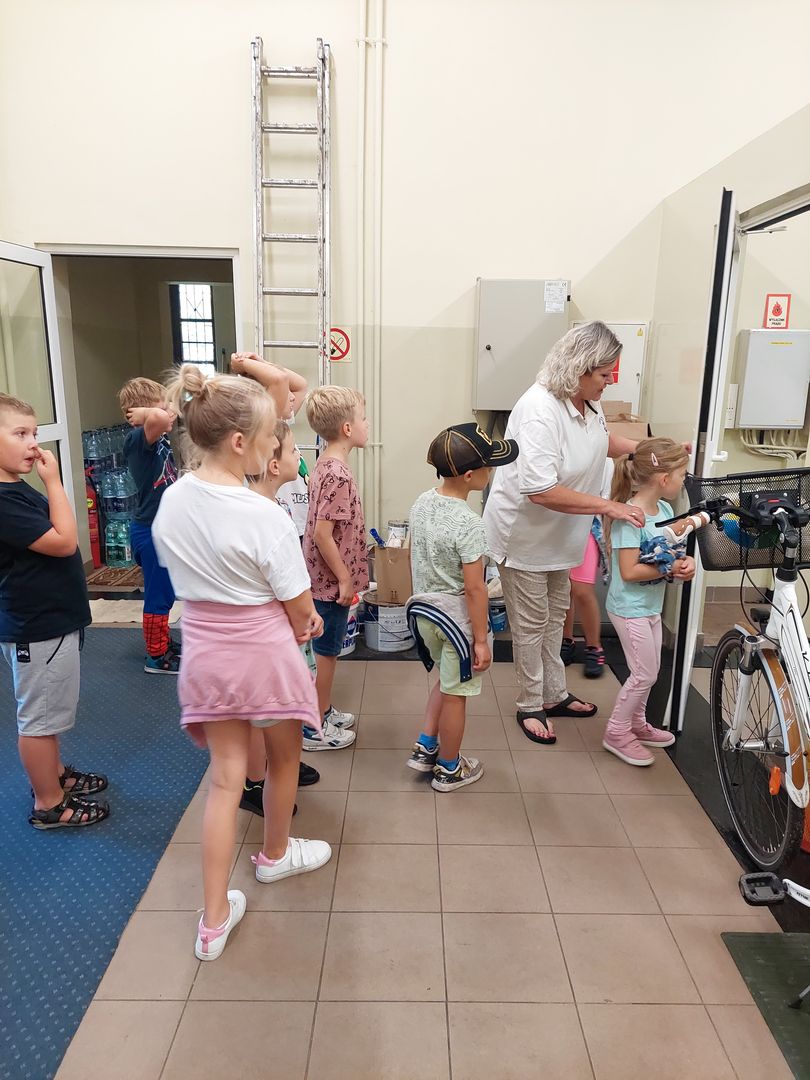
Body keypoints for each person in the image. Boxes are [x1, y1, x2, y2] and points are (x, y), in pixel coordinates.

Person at [152, 367, 330, 962]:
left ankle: (212, 921)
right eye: (268, 436)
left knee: (226, 781)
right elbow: (299, 607)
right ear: (237, 443)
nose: (274, 445)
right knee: (283, 759)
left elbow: (184, 574)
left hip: (206, 656)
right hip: (265, 658)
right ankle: (275, 855)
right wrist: (310, 621)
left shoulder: (173, 501)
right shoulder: (263, 516)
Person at [483, 322, 644, 745]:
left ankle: (554, 694)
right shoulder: (539, 410)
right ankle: (529, 703)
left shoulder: (588, 402)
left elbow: (602, 441)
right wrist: (609, 506)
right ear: (579, 369)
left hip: (561, 535)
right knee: (531, 624)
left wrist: (647, 449)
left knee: (555, 618)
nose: (610, 381)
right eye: (604, 373)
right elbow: (540, 490)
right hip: (525, 537)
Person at [0, 393, 109, 829]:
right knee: (39, 720)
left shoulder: (13, 486)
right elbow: (64, 541)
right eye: (20, 434)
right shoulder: (3, 500)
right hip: (36, 624)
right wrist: (55, 483)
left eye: (34, 433)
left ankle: (56, 775)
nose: (33, 443)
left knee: (49, 710)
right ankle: (49, 803)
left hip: (50, 620)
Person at [406, 423, 519, 790]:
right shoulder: (470, 523)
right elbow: (474, 588)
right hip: (456, 623)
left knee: (446, 680)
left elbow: (414, 555)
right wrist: (481, 640)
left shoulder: (422, 502)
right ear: (471, 476)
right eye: (489, 465)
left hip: (425, 612)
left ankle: (426, 745)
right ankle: (449, 768)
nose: (492, 471)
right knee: (457, 694)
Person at [241, 421, 319, 815]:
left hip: (253, 639)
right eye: (293, 451)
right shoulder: (272, 518)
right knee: (277, 727)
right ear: (274, 466)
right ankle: (265, 788)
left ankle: (265, 774)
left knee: (260, 718)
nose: (300, 457)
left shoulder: (248, 506)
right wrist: (310, 617)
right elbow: (292, 592)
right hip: (277, 640)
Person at [602, 438, 695, 766]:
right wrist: (670, 568)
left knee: (649, 672)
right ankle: (616, 732)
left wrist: (684, 563)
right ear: (664, 478)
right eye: (682, 475)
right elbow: (629, 571)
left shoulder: (665, 511)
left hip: (650, 606)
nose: (684, 481)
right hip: (629, 609)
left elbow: (670, 553)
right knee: (644, 674)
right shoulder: (631, 517)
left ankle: (638, 724)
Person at [301, 386, 369, 751]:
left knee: (326, 651)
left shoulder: (325, 463)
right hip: (329, 584)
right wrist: (344, 578)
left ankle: (323, 709)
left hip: (322, 580)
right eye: (363, 418)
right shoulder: (338, 474)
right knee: (326, 653)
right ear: (347, 428)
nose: (367, 424)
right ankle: (314, 725)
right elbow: (322, 533)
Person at [118, 377, 180, 674]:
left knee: (166, 590)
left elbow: (168, 417)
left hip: (161, 530)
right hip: (150, 531)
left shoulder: (155, 437)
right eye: (161, 406)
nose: (168, 412)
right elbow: (160, 418)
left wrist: (160, 410)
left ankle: (164, 642)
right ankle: (156, 656)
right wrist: (147, 413)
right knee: (158, 595)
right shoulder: (136, 439)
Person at [229, 352, 311, 537]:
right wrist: (243, 364)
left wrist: (262, 362)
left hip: (294, 516)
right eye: (286, 392)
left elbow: (301, 385)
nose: (293, 397)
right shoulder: (266, 424)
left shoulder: (281, 425)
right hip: (279, 519)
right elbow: (279, 379)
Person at [560, 459, 614, 678]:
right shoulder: (560, 452)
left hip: (587, 527)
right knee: (562, 589)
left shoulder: (605, 461)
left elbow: (605, 501)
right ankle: (566, 640)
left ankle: (594, 646)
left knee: (582, 590)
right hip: (556, 527)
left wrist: (607, 537)